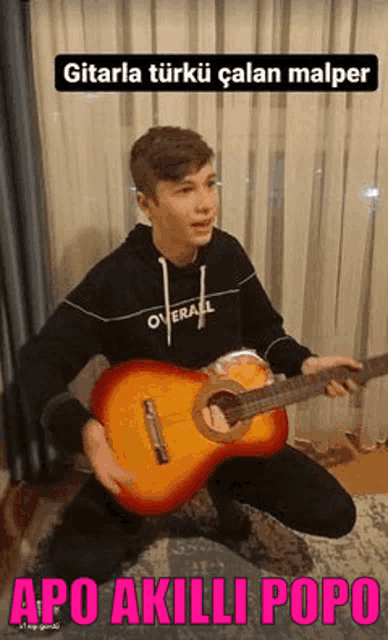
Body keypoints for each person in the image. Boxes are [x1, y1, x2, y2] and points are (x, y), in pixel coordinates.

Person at [17, 126, 361, 583]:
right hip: (149, 449)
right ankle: (177, 493)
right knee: (68, 573)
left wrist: (303, 362)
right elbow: (37, 364)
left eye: (210, 184)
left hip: (226, 432)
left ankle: (216, 483)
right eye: (184, 190)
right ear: (146, 204)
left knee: (336, 515)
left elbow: (264, 330)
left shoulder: (227, 256)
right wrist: (88, 434)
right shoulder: (113, 281)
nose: (207, 205)